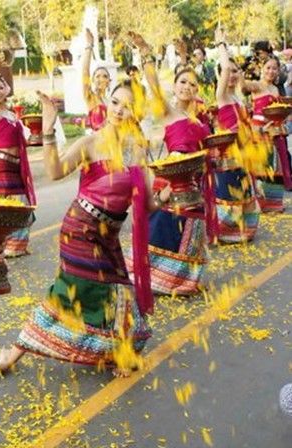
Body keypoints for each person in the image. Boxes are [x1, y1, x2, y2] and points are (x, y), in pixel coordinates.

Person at [0, 80, 156, 376]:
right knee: (73, 291)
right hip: (80, 229)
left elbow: (149, 202)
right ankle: (14, 354)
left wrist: (176, 189)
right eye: (115, 101)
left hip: (109, 235)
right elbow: (54, 172)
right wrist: (49, 128)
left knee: (118, 291)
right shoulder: (90, 143)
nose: (119, 110)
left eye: (127, 105)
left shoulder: (137, 149)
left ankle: (116, 350)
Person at [128, 32, 212, 297]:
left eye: (192, 84)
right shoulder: (167, 112)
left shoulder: (200, 121)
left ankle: (182, 280)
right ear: (175, 86)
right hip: (171, 182)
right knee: (164, 229)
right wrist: (146, 53)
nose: (187, 87)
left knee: (190, 232)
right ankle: (158, 279)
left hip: (194, 185)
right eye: (182, 82)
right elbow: (153, 84)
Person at [212, 29, 260, 243]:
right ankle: (225, 232)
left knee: (244, 192)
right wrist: (221, 45)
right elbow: (223, 68)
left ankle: (240, 230)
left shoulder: (238, 97)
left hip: (244, 153)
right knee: (229, 192)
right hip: (228, 155)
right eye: (227, 72)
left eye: (235, 71)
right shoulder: (221, 97)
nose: (231, 75)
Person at [0, 59, 36, 258]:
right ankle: (2, 245)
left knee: (22, 207)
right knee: (3, 208)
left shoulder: (11, 114)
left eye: (1, 86)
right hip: (1, 165)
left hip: (16, 166)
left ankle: (16, 246)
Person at [243, 55, 291, 211]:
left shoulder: (276, 89)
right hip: (259, 130)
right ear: (262, 69)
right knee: (261, 166)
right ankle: (260, 201)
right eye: (268, 68)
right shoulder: (257, 85)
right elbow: (243, 86)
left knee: (274, 165)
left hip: (274, 130)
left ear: (278, 71)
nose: (271, 71)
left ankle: (273, 202)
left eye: (274, 68)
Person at [82, 29, 110, 131]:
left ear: (109, 82)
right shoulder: (91, 98)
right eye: (97, 76)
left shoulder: (112, 101)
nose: (101, 79)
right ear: (93, 80)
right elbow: (85, 72)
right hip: (97, 143)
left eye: (104, 76)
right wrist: (89, 46)